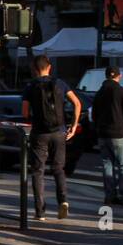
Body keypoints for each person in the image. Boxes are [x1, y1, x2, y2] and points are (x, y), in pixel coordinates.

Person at [22, 54, 81, 221]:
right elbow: (77, 103)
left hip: (39, 133)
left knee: (37, 171)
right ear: (49, 67)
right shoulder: (60, 83)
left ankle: (40, 212)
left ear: (34, 69)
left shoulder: (30, 86)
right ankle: (63, 200)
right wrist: (74, 126)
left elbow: (24, 112)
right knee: (58, 169)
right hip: (59, 132)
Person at [92, 66, 123, 206]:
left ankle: (109, 195)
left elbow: (94, 114)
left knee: (107, 165)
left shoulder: (99, 93)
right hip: (120, 134)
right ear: (119, 76)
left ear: (106, 76)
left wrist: (98, 128)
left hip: (103, 134)